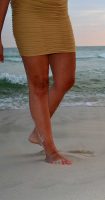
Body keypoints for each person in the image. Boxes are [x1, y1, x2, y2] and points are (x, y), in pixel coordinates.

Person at [0, 0, 76, 165]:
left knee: (66, 80)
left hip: (58, 13)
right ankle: (50, 149)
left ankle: (38, 133)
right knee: (39, 84)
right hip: (29, 12)